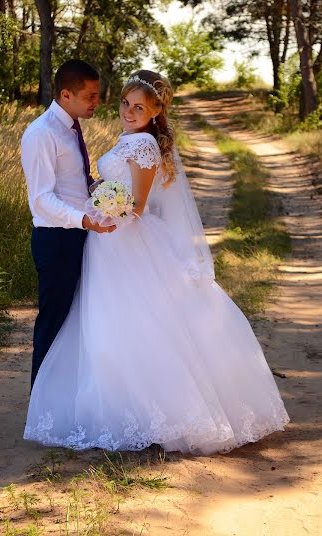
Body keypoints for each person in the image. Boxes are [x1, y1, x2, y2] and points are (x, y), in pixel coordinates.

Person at [24, 69, 289, 456]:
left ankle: (149, 411)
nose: (127, 111)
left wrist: (107, 207)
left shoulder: (142, 144)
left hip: (121, 238)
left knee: (136, 322)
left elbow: (137, 205)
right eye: (125, 104)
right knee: (105, 322)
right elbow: (88, 190)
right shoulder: (100, 136)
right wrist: (99, 198)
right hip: (101, 239)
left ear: (154, 111)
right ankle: (110, 402)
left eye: (138, 107)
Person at [21, 59, 114, 389]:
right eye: (89, 96)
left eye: (97, 95)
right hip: (55, 240)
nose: (96, 102)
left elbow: (74, 182)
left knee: (77, 319)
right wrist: (84, 219)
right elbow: (41, 199)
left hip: (77, 234)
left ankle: (67, 398)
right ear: (65, 94)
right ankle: (42, 402)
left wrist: (103, 193)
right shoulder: (42, 134)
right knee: (54, 321)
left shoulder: (70, 127)